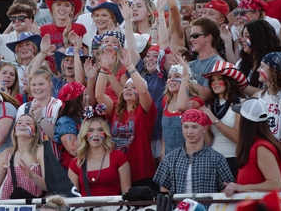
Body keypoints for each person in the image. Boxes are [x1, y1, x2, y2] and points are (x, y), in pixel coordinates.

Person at [96, 47, 157, 189]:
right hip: (118, 171)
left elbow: (143, 90)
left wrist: (129, 65)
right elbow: (99, 95)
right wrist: (104, 68)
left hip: (141, 172)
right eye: (127, 87)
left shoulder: (146, 110)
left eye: (133, 87)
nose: (129, 89)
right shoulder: (116, 109)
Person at [153, 109, 234, 200]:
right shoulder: (170, 158)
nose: (189, 131)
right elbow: (164, 189)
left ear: (204, 129)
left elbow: (225, 189)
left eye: (194, 127)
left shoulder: (217, 158)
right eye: (186, 127)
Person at [224, 97, 281, 196]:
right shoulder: (255, 145)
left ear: (245, 122)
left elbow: (275, 185)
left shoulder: (262, 148)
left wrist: (241, 187)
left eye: (240, 116)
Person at [200, 61, 248, 178]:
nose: (215, 83)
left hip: (234, 160)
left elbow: (237, 137)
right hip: (212, 160)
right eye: (212, 80)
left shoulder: (241, 103)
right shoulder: (211, 106)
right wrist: (202, 125)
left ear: (230, 82)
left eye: (219, 79)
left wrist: (213, 119)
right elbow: (209, 141)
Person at [68, 115, 131, 196]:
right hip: (86, 208)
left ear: (105, 133)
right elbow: (73, 198)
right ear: (85, 135)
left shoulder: (118, 157)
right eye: (91, 130)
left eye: (100, 130)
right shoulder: (75, 164)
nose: (96, 134)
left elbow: (127, 193)